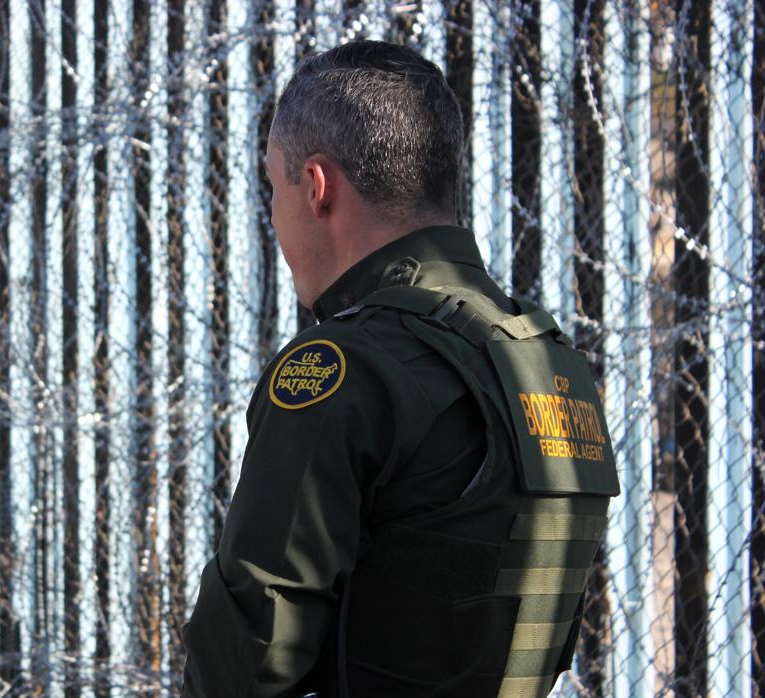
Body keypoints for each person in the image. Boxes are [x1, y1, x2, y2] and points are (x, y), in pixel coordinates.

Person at [179, 40, 619, 698]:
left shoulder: (346, 369)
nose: (272, 217)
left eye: (274, 186)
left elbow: (242, 667)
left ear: (318, 188)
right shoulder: (556, 367)